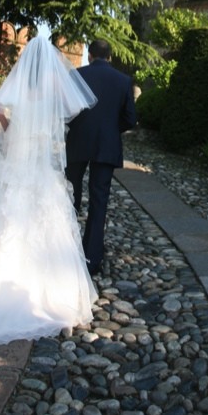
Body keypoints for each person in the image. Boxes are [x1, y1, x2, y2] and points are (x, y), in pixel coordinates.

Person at [0, 35, 99, 345]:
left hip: (17, 150)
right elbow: (73, 110)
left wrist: (11, 128)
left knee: (3, 200)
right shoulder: (55, 88)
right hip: (40, 157)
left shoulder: (19, 85)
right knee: (43, 210)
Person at [65, 39, 136, 275]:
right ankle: (92, 259)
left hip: (78, 142)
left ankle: (64, 248)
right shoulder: (123, 80)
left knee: (69, 195)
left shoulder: (75, 75)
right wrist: (111, 129)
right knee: (99, 201)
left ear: (89, 55)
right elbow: (130, 118)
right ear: (110, 57)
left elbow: (66, 110)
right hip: (107, 145)